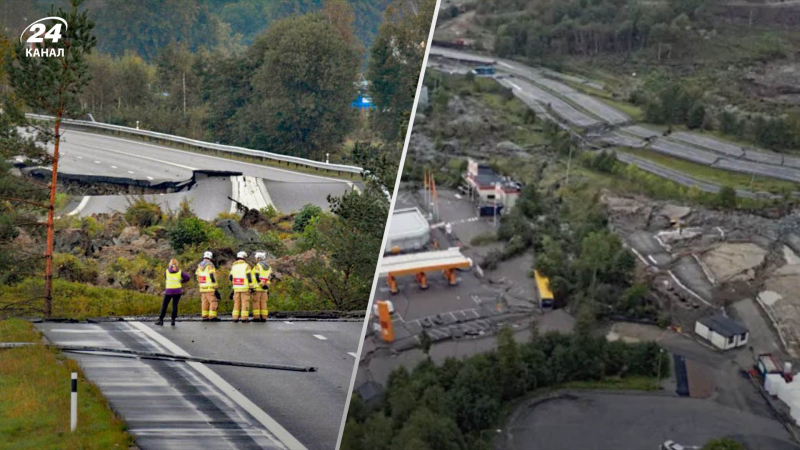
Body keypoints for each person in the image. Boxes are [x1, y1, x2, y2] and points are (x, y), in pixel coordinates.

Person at [156, 258, 190, 326]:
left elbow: (166, 278)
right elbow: (188, 277)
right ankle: (173, 320)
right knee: (175, 305)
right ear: (177, 264)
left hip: (169, 291)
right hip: (178, 291)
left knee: (164, 305)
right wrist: (182, 281)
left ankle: (161, 320)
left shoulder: (166, 271)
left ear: (170, 264)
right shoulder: (180, 271)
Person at [229, 251, 253, 323]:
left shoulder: (234, 266)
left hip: (236, 288)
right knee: (245, 302)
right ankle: (244, 318)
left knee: (236, 303)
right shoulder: (246, 266)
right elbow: (249, 277)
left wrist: (234, 284)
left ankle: (235, 318)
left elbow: (230, 277)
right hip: (244, 288)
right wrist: (251, 286)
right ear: (244, 257)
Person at [196, 251, 220, 322]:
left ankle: (205, 316)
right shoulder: (210, 265)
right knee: (213, 301)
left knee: (204, 302)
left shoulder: (199, 266)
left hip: (203, 288)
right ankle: (212, 316)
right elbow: (212, 275)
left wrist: (200, 284)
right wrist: (215, 285)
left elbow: (197, 277)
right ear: (210, 257)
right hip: (210, 287)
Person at [250, 251, 272, 322]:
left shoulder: (257, 266)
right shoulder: (269, 267)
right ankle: (264, 317)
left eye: (256, 258)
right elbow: (269, 277)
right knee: (263, 302)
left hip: (257, 287)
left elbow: (256, 276)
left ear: (259, 258)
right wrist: (266, 285)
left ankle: (256, 317)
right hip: (264, 288)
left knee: (256, 302)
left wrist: (260, 284)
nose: (256, 259)